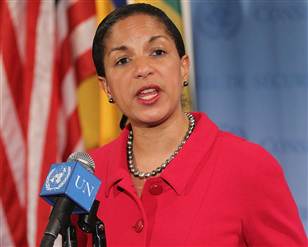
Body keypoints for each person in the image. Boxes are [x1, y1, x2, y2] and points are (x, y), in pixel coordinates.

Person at [86, 3, 307, 246]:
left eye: (157, 52)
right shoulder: (87, 175)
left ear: (183, 67)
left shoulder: (248, 167)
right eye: (123, 60)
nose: (142, 69)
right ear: (105, 86)